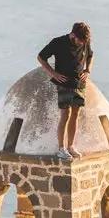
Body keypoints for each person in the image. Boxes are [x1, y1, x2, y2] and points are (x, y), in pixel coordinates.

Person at [37, 22, 93, 160]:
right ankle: (61, 148)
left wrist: (87, 69)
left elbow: (90, 55)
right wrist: (53, 74)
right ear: (73, 35)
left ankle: (71, 146)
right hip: (64, 83)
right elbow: (41, 57)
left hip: (79, 83)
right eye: (79, 40)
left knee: (76, 113)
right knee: (65, 114)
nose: (81, 43)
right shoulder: (58, 42)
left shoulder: (85, 41)